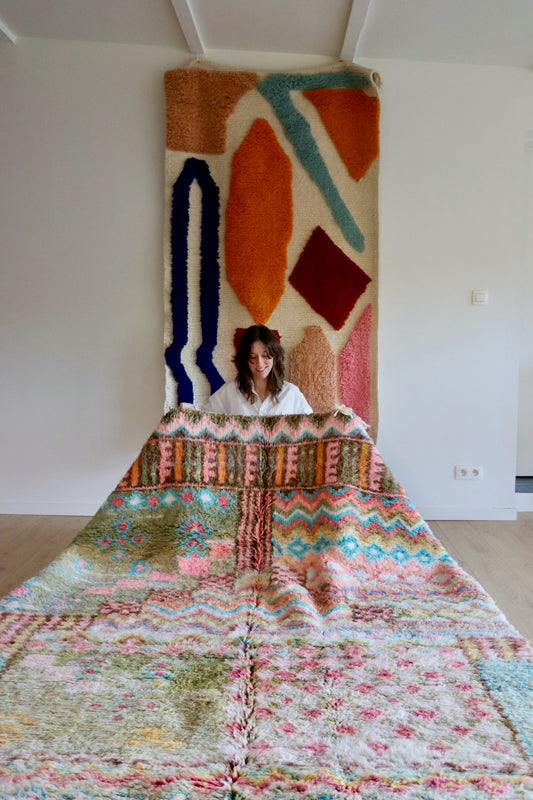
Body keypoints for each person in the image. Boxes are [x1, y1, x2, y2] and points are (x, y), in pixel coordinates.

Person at [202, 325, 312, 416]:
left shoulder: (291, 393)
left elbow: (312, 427)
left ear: (274, 357)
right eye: (252, 357)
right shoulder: (229, 392)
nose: (259, 363)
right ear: (245, 359)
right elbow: (203, 421)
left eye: (265, 356)